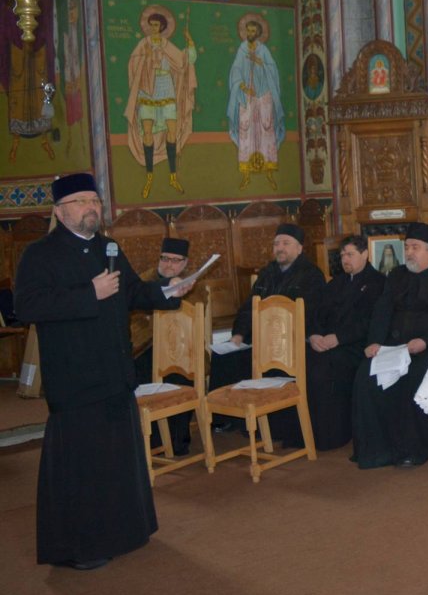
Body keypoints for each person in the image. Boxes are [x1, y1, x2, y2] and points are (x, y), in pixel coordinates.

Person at [15, 173, 192, 569]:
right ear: (60, 211)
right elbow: (26, 307)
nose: (91, 207)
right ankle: (83, 548)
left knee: (118, 461)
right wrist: (88, 294)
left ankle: (126, 532)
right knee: (85, 467)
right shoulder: (39, 254)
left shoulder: (108, 247)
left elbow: (132, 291)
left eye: (94, 200)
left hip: (115, 372)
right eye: (81, 201)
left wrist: (167, 290)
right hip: (76, 380)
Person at [351, 223, 428, 467]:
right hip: (394, 347)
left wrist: (426, 341)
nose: (409, 252)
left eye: (415, 247)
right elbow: (382, 311)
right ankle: (376, 449)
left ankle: (414, 449)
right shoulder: (396, 275)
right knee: (366, 375)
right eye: (407, 247)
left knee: (415, 377)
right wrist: (375, 342)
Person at [208, 223, 325, 430]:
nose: (280, 248)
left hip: (289, 340)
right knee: (224, 355)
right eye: (276, 244)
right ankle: (227, 419)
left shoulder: (311, 274)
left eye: (286, 243)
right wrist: (238, 335)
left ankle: (260, 423)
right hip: (259, 338)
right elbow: (248, 308)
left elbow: (312, 313)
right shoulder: (267, 273)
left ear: (299, 248)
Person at [296, 235, 385, 451]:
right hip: (327, 343)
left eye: (350, 254)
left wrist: (339, 338)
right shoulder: (336, 283)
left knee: (324, 367)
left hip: (357, 346)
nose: (345, 259)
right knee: (304, 359)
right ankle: (305, 433)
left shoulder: (379, 283)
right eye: (342, 255)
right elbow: (317, 314)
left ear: (365, 254)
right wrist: (314, 335)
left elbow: (370, 322)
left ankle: (331, 435)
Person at [131, 237, 199, 455]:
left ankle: (177, 440)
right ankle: (150, 440)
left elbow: (195, 316)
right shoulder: (144, 282)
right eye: (165, 259)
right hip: (144, 347)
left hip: (182, 348)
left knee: (182, 374)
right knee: (140, 372)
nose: (169, 264)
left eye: (175, 260)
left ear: (185, 263)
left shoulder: (191, 284)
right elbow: (134, 317)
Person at [126, 9, 197, 198]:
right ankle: (149, 176)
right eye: (151, 25)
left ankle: (173, 176)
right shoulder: (144, 44)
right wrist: (145, 57)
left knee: (172, 132)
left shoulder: (167, 45)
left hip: (166, 88)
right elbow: (132, 64)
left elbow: (184, 61)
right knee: (147, 133)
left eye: (156, 25)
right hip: (147, 91)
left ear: (163, 27)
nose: (153, 28)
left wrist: (190, 42)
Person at [225, 15, 284, 190]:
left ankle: (270, 173)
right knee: (246, 130)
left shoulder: (263, 50)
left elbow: (272, 69)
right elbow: (236, 69)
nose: (250, 33)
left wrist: (260, 62)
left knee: (267, 129)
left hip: (264, 94)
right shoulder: (242, 49)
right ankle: (246, 175)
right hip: (247, 96)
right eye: (248, 30)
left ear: (258, 33)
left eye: (253, 31)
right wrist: (243, 87)